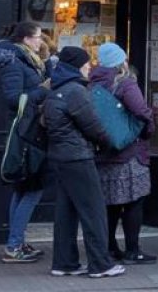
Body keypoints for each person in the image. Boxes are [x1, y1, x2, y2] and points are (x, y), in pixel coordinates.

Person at [44, 46, 124, 278]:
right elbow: (93, 127)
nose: (90, 67)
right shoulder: (75, 91)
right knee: (94, 211)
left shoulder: (55, 88)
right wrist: (110, 143)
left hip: (59, 156)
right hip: (78, 157)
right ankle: (101, 264)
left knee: (66, 212)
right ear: (76, 65)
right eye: (87, 63)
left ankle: (64, 262)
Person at [0, 21, 49, 263]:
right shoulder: (15, 63)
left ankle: (17, 242)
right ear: (25, 40)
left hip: (30, 130)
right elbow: (13, 99)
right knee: (32, 189)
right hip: (25, 132)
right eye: (37, 37)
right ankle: (14, 246)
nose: (40, 41)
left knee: (23, 189)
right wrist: (43, 90)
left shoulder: (29, 61)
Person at [89, 42, 156, 265]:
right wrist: (149, 128)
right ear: (121, 62)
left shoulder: (91, 83)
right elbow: (140, 111)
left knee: (110, 203)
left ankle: (109, 247)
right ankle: (133, 250)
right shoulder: (124, 83)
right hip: (129, 153)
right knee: (134, 201)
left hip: (103, 152)